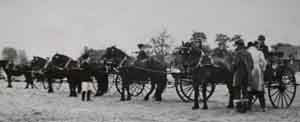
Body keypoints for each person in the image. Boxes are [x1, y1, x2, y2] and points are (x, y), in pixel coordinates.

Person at [232, 36, 254, 113]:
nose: (236, 46)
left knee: (237, 89)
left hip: (239, 74)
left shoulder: (238, 53)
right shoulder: (248, 53)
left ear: (239, 45)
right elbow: (252, 65)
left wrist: (233, 70)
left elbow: (235, 64)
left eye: (237, 45)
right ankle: (245, 106)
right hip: (247, 75)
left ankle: (239, 107)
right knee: (245, 90)